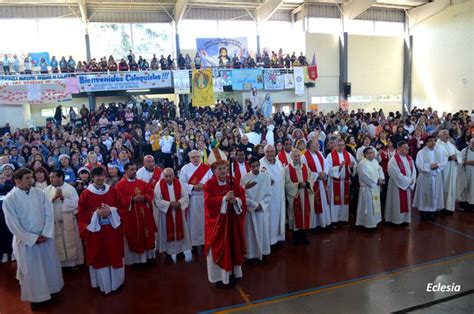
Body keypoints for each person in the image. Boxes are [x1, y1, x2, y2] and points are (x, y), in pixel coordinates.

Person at [2, 168, 64, 309]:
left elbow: (49, 213)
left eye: (31, 177)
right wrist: (32, 238)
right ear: (17, 181)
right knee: (33, 271)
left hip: (45, 237)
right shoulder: (10, 199)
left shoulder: (39, 193)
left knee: (49, 267)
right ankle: (37, 299)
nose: (31, 180)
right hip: (27, 242)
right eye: (27, 178)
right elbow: (13, 224)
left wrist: (46, 232)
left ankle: (53, 292)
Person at [77, 167, 124, 294]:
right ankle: (103, 285)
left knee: (114, 254)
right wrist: (96, 214)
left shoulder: (112, 191)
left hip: (112, 230)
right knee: (100, 256)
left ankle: (117, 283)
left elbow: (121, 206)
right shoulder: (86, 194)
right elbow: (81, 214)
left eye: (102, 176)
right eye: (97, 176)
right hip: (97, 232)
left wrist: (111, 210)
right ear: (92, 178)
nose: (100, 178)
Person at [204, 160, 246, 286]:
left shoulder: (232, 181)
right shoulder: (209, 184)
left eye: (224, 168)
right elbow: (208, 203)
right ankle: (219, 278)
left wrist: (236, 201)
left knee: (233, 245)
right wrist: (224, 199)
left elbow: (242, 196)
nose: (223, 171)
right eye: (219, 169)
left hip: (232, 221)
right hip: (218, 225)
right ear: (213, 171)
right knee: (219, 247)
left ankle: (233, 273)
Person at [115, 163, 156, 265]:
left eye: (135, 169)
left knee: (147, 234)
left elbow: (150, 193)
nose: (134, 171)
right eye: (131, 169)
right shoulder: (120, 185)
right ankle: (136, 261)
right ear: (125, 171)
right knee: (135, 235)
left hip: (144, 215)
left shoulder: (141, 182)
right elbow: (118, 200)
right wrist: (131, 199)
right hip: (131, 216)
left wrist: (144, 197)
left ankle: (149, 258)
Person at [44, 169, 84, 268]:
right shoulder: (46, 190)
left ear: (60, 177)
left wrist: (62, 198)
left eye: (53, 177)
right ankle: (60, 265)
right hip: (55, 222)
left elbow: (76, 205)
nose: (51, 179)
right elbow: (43, 207)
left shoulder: (70, 189)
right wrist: (53, 198)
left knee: (71, 241)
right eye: (50, 177)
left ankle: (73, 264)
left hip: (68, 221)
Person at [178, 150, 212, 252]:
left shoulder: (206, 168)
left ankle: (205, 241)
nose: (196, 159)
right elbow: (181, 183)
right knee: (193, 222)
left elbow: (211, 181)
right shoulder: (185, 168)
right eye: (193, 157)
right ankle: (193, 243)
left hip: (205, 198)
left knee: (204, 221)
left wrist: (204, 186)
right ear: (189, 158)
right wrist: (193, 187)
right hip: (192, 199)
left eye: (197, 156)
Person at [154, 168, 191, 259]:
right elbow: (157, 200)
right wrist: (169, 204)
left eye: (170, 176)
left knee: (180, 230)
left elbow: (185, 196)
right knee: (166, 232)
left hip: (178, 212)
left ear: (173, 175)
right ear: (163, 176)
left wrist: (179, 202)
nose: (168, 178)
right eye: (166, 176)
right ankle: (167, 252)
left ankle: (180, 251)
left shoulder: (179, 183)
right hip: (166, 214)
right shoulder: (159, 185)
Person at [241, 158, 271, 262]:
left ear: (259, 165)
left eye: (257, 165)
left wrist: (261, 205)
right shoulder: (245, 178)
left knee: (263, 231)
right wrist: (254, 205)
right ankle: (251, 255)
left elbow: (268, 193)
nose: (255, 168)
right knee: (250, 234)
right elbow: (242, 195)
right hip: (251, 211)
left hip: (261, 210)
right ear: (249, 167)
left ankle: (264, 252)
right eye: (252, 166)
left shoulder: (265, 176)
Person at [413, 136, 447, 221]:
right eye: (430, 141)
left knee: (434, 194)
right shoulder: (421, 152)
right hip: (425, 177)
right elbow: (419, 164)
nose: (433, 142)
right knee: (424, 194)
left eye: (434, 141)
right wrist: (430, 166)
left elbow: (443, 162)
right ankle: (423, 213)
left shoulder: (439, 151)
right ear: (426, 143)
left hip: (435, 176)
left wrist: (438, 166)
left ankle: (432, 212)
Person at [285, 149, 314, 245]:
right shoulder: (287, 169)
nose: (297, 158)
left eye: (298, 156)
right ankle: (295, 238)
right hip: (295, 196)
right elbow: (287, 183)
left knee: (305, 215)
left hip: (305, 194)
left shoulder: (305, 167)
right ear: (291, 157)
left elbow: (311, 178)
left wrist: (307, 183)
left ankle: (304, 237)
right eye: (295, 156)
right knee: (295, 217)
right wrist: (298, 185)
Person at [302, 139, 331, 230]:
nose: (319, 145)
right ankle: (314, 225)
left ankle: (324, 223)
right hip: (313, 183)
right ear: (310, 146)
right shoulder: (304, 157)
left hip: (322, 183)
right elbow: (305, 170)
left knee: (323, 203)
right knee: (314, 204)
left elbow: (326, 165)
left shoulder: (320, 154)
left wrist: (325, 173)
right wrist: (317, 175)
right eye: (317, 144)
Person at [259, 145, 285, 246]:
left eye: (272, 151)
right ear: (264, 153)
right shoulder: (261, 163)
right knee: (269, 219)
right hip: (268, 198)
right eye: (268, 152)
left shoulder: (278, 162)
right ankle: (269, 242)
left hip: (279, 195)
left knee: (278, 217)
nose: (270, 154)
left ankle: (277, 239)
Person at [385, 141, 417, 225]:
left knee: (406, 203)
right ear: (398, 148)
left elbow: (414, 171)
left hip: (407, 185)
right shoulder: (393, 160)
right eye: (405, 147)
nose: (407, 149)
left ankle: (405, 220)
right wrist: (409, 181)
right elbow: (396, 174)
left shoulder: (409, 158)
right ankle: (395, 220)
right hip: (396, 186)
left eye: (407, 147)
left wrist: (412, 179)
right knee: (396, 203)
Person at [326, 139, 357, 224]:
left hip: (345, 181)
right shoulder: (330, 156)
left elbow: (354, 166)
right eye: (339, 145)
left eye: (342, 145)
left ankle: (343, 219)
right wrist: (338, 168)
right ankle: (334, 220)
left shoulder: (348, 154)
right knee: (335, 200)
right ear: (334, 146)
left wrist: (351, 167)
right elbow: (327, 169)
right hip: (334, 182)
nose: (341, 147)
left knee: (344, 200)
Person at [356, 148, 385, 229]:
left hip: (375, 188)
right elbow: (364, 177)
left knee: (375, 206)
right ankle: (367, 223)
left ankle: (375, 221)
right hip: (367, 189)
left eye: (372, 153)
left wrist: (381, 179)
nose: (371, 154)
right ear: (365, 154)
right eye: (368, 153)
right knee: (368, 207)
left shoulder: (375, 161)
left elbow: (380, 170)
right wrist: (376, 183)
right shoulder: (362, 163)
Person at [436, 130, 462, 212]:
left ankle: (448, 207)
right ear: (439, 135)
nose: (447, 136)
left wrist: (456, 157)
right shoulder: (437, 145)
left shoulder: (450, 144)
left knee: (450, 188)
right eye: (445, 134)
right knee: (441, 187)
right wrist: (449, 158)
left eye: (447, 134)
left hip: (451, 169)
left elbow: (458, 153)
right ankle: (440, 207)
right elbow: (436, 157)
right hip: (443, 170)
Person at [0, 172, 14, 263]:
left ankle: (12, 252)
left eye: (3, 178)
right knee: (1, 236)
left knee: (11, 234)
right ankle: (4, 253)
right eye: (0, 178)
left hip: (9, 215)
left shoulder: (10, 188)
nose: (1, 180)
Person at [457, 138, 474, 212]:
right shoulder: (464, 151)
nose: (473, 144)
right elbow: (459, 161)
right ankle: (463, 205)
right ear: (469, 143)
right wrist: (469, 162)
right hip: (465, 172)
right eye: (472, 142)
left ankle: (472, 205)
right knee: (464, 188)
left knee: (472, 189)